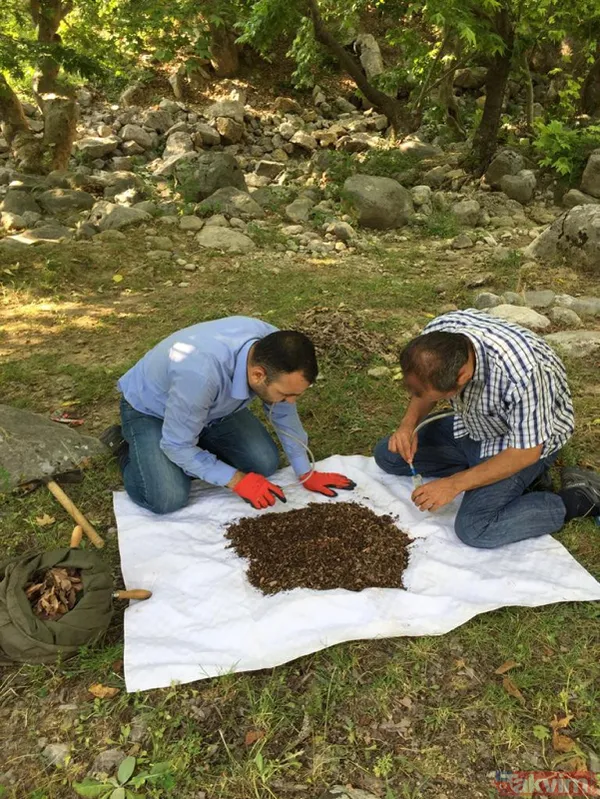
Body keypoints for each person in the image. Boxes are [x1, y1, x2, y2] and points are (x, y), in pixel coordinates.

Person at [374, 309, 600, 548]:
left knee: (475, 528)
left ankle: (578, 499)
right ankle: (511, 480)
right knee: (389, 456)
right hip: (473, 424)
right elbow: (425, 390)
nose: (416, 397)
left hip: (520, 444)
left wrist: (454, 484)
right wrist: (408, 426)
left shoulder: (523, 374)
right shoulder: (435, 340)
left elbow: (527, 451)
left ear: (462, 376)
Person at [102, 316, 355, 513]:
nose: (290, 402)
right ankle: (128, 446)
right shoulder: (199, 374)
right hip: (152, 410)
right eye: (285, 394)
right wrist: (236, 480)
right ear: (258, 375)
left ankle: (195, 440)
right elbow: (176, 444)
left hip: (214, 409)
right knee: (166, 497)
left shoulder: (273, 347)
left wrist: (304, 470)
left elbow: (283, 413)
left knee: (263, 463)